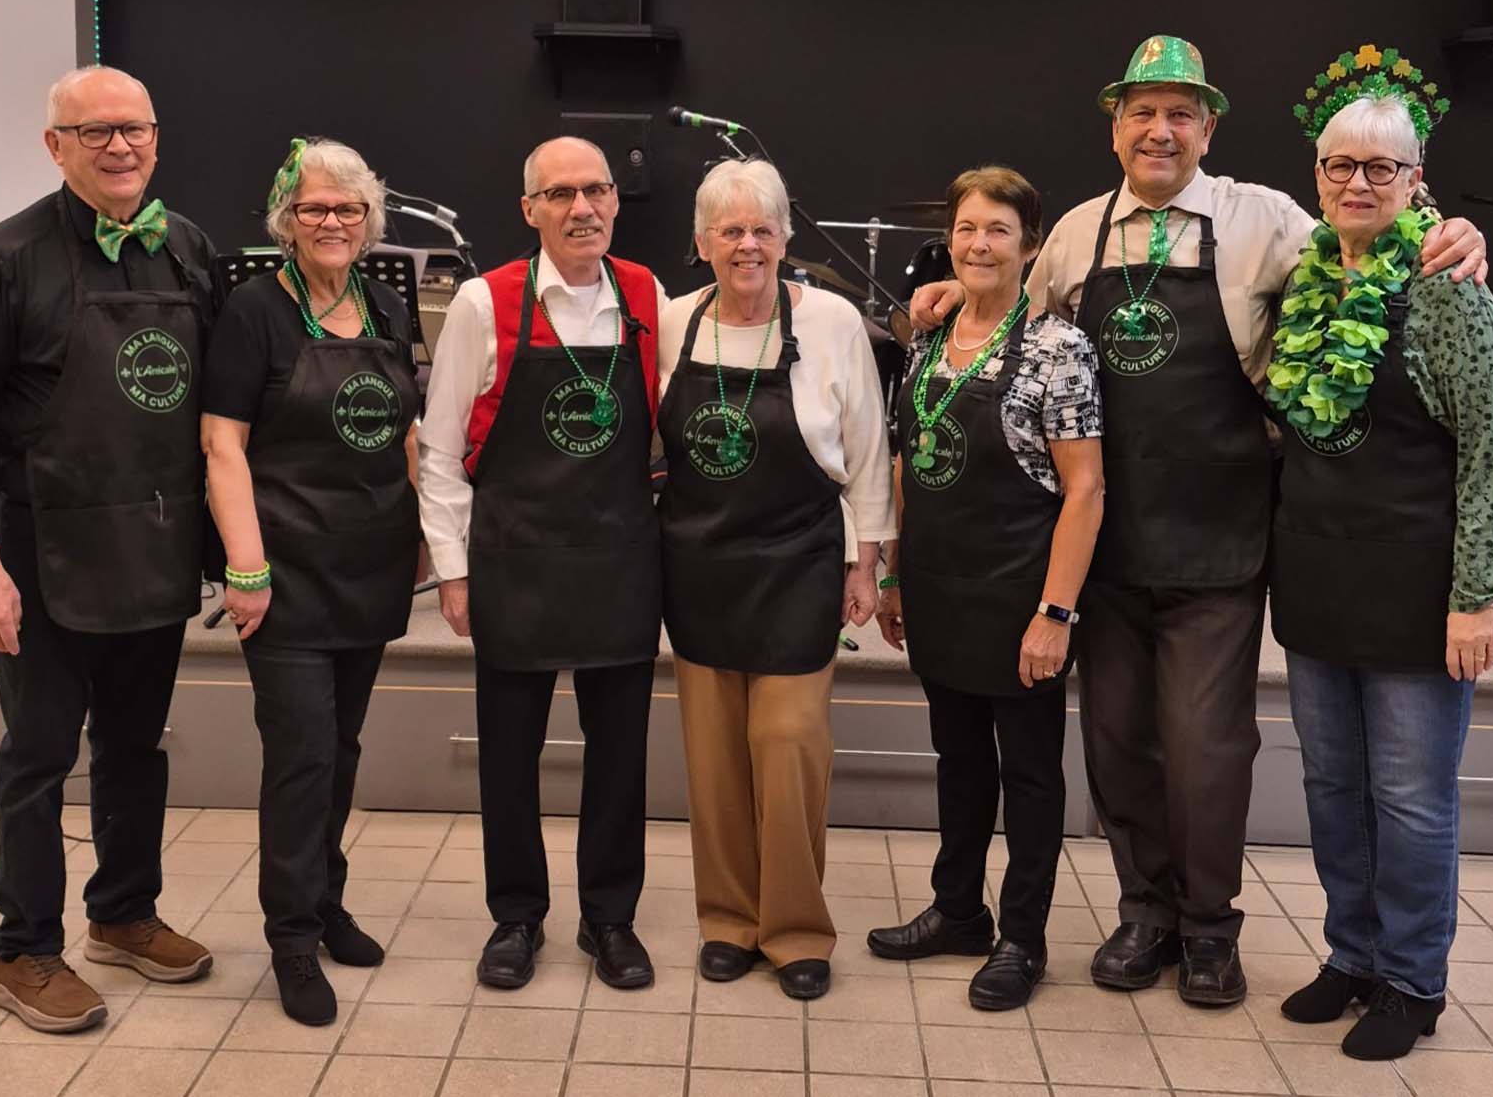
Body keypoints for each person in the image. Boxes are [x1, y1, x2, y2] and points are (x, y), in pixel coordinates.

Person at [909, 35, 1487, 1007]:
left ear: (1208, 128)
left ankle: (1210, 928)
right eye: (1142, 112)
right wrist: (943, 297)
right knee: (1117, 745)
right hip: (1104, 544)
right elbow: (1011, 323)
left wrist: (1448, 228)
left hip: (1220, 539)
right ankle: (1146, 913)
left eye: (1181, 113)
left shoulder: (1265, 219)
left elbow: (1367, 243)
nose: (1160, 130)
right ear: (1115, 127)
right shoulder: (1076, 233)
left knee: (1205, 748)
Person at [0, 66, 219, 1033]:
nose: (118, 146)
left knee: (136, 747)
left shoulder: (187, 249)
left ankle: (124, 914)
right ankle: (22, 950)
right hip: (38, 552)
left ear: (157, 139)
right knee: (40, 756)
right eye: (94, 132)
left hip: (154, 544)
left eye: (133, 128)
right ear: (54, 147)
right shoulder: (5, 257)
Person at [1267, 59, 1493, 1059]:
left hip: (1420, 594)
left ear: (1416, 180)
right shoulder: (1305, 280)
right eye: (1341, 165)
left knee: (1411, 801)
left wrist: (1478, 597)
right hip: (1320, 581)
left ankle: (1413, 981)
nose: (1359, 183)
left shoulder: (1450, 289)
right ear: (1318, 174)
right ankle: (1353, 955)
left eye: (1382, 167)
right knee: (1333, 789)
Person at [418, 136, 665, 991]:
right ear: (529, 210)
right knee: (509, 755)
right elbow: (440, 451)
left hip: (620, 561)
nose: (581, 208)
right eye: (559, 194)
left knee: (619, 757)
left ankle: (610, 918)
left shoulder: (647, 295)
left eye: (595, 190)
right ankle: (516, 917)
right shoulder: (483, 304)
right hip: (514, 562)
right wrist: (453, 570)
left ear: (616, 201)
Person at [868, 167, 1103, 1011]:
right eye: (967, 228)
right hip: (940, 590)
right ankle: (958, 911)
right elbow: (908, 464)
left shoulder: (1058, 347)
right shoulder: (927, 340)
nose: (979, 244)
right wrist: (895, 574)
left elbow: (1086, 489)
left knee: (1029, 775)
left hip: (1019, 597)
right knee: (959, 761)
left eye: (999, 230)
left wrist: (1056, 613)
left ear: (1029, 245)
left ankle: (1022, 939)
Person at [658, 158, 894, 1001]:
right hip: (699, 565)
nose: (747, 245)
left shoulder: (831, 321)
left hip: (798, 563)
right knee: (715, 758)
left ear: (787, 239)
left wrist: (867, 561)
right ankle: (727, 921)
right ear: (702, 243)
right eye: (730, 231)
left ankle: (795, 929)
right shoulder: (675, 320)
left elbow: (868, 447)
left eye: (763, 229)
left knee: (788, 744)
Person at [202, 138, 422, 1025]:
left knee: (343, 749)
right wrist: (246, 568)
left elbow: (405, 432)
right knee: (302, 756)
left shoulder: (388, 305)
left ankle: (327, 901)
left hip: (370, 565)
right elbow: (222, 445)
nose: (332, 221)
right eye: (314, 208)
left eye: (348, 208)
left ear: (370, 220)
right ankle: (291, 938)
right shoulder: (254, 311)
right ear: (285, 221)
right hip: (284, 572)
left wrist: (426, 537)